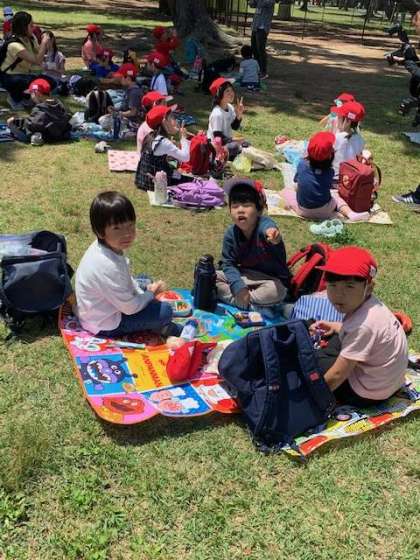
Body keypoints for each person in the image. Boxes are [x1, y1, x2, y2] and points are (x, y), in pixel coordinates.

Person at [309, 246, 408, 407]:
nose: (339, 294)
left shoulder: (363, 326)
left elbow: (337, 375)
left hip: (368, 393)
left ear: (369, 287)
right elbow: (363, 333)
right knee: (334, 340)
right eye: (332, 285)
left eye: (349, 286)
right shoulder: (371, 306)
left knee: (314, 362)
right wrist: (334, 326)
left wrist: (313, 400)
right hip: (388, 381)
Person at [74, 191, 181, 338]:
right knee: (165, 311)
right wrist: (150, 294)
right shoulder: (107, 265)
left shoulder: (105, 246)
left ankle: (147, 300)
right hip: (105, 323)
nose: (127, 234)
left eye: (130, 225)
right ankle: (163, 328)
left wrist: (144, 294)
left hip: (100, 307)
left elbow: (125, 278)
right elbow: (130, 308)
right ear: (100, 231)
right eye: (117, 228)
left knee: (145, 280)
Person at [216, 177, 290, 314]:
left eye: (246, 205)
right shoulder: (231, 234)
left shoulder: (265, 225)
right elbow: (228, 264)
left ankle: (242, 301)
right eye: (235, 206)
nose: (240, 210)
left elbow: (270, 230)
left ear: (259, 209)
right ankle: (251, 304)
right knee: (210, 276)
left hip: (269, 280)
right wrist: (239, 287)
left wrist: (274, 236)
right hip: (244, 276)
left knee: (277, 291)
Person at [282, 131, 370, 221]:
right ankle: (350, 213)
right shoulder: (329, 172)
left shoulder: (302, 165)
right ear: (330, 156)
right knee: (335, 195)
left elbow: (297, 181)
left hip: (303, 211)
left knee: (286, 191)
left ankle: (289, 205)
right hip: (326, 210)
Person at [0, 11, 52, 108]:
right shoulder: (14, 44)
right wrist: (44, 43)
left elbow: (40, 54)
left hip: (24, 75)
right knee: (32, 82)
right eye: (31, 25)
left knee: (50, 82)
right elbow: (37, 61)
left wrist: (46, 45)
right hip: (10, 77)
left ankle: (25, 97)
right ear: (23, 27)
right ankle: (15, 98)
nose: (34, 27)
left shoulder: (31, 39)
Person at [135, 104, 191, 191]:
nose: (175, 121)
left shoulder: (150, 136)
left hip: (143, 180)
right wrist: (183, 138)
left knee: (177, 173)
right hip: (155, 184)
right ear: (164, 122)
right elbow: (186, 158)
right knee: (193, 181)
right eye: (172, 117)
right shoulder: (163, 142)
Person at [7, 77, 70, 144]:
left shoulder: (40, 108)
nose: (31, 97)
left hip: (46, 136)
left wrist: (17, 121)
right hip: (61, 133)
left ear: (37, 93)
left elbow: (31, 125)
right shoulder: (59, 104)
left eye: (31, 93)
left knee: (10, 122)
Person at [207, 77, 245, 160]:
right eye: (227, 91)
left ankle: (234, 153)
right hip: (215, 146)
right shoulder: (217, 113)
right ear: (219, 94)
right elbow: (217, 137)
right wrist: (233, 139)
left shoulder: (230, 107)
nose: (231, 93)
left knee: (246, 144)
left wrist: (239, 115)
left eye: (231, 90)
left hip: (226, 143)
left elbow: (234, 127)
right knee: (235, 146)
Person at [331, 100, 366, 181]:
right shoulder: (360, 140)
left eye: (339, 117)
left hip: (335, 178)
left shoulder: (337, 138)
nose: (337, 119)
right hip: (350, 180)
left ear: (348, 122)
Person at [248, 0, 279, 80]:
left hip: (263, 28)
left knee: (260, 50)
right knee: (254, 49)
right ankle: (257, 69)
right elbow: (251, 4)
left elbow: (263, 4)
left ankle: (263, 72)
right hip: (255, 26)